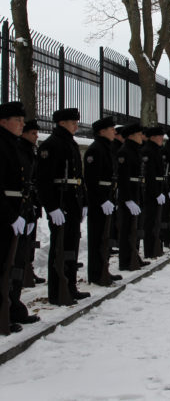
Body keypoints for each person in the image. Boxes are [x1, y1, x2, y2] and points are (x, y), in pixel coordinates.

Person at [37, 108, 90, 305]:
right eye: (72, 121)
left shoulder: (71, 143)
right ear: (61, 123)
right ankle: (58, 291)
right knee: (59, 248)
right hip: (61, 203)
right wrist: (51, 207)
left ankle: (70, 286)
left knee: (71, 247)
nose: (76, 125)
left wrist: (83, 201)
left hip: (72, 202)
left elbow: (79, 177)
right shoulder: (52, 145)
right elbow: (43, 180)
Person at [0, 102, 37, 334]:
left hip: (17, 211)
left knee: (13, 263)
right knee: (3, 266)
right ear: (3, 121)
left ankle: (12, 307)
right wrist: (11, 215)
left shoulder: (12, 145)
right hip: (5, 214)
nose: (22, 125)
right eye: (18, 120)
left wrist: (27, 211)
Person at [84, 116, 122, 286]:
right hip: (100, 200)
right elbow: (91, 180)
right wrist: (101, 200)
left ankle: (103, 269)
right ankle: (96, 273)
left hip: (108, 197)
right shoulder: (95, 149)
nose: (114, 131)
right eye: (111, 128)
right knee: (97, 237)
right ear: (101, 131)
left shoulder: (107, 148)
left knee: (104, 237)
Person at [117, 122, 148, 270]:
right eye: (139, 133)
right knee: (127, 229)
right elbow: (123, 178)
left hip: (137, 191)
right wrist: (127, 199)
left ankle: (134, 256)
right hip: (129, 194)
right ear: (131, 136)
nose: (142, 136)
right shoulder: (125, 152)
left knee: (134, 227)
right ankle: (126, 260)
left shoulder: (135, 150)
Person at [18, 120, 46, 286]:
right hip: (23, 203)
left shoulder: (30, 151)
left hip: (32, 202)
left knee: (30, 238)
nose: (36, 137)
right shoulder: (21, 150)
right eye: (32, 133)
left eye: (36, 133)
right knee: (22, 242)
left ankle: (28, 269)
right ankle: (22, 272)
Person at [141, 127, 166, 259]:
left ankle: (156, 247)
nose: (162, 138)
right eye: (159, 136)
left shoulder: (156, 150)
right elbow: (149, 176)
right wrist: (156, 193)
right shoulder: (148, 151)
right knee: (150, 221)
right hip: (151, 192)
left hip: (158, 189)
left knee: (156, 220)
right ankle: (150, 250)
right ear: (152, 137)